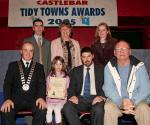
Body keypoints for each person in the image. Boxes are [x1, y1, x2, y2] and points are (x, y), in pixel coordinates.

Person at [103, 40, 150, 125]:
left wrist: (132, 102)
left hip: (137, 100)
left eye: (125, 48)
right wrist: (121, 102)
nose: (121, 51)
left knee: (144, 109)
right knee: (108, 107)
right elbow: (108, 88)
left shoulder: (140, 66)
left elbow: (146, 89)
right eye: (118, 49)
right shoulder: (109, 67)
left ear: (130, 52)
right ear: (114, 52)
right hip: (116, 100)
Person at [1, 42, 46, 125]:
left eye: (31, 51)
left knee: (42, 109)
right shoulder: (13, 65)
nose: (28, 53)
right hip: (15, 101)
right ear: (21, 51)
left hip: (33, 101)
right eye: (25, 50)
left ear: (33, 53)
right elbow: (7, 84)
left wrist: (41, 97)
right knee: (6, 110)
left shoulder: (39, 67)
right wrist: (7, 99)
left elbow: (42, 84)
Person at [63, 47, 105, 125]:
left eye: (88, 56)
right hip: (80, 100)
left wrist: (101, 96)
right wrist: (72, 96)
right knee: (67, 107)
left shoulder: (101, 69)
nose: (86, 59)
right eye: (84, 57)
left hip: (96, 98)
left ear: (93, 56)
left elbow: (106, 85)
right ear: (81, 58)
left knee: (99, 110)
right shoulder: (76, 70)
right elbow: (71, 87)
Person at [46, 56, 69, 125]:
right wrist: (47, 90)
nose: (58, 66)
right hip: (50, 100)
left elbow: (67, 89)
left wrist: (65, 92)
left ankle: (58, 123)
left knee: (57, 109)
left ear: (63, 65)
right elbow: (47, 88)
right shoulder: (49, 76)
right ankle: (48, 123)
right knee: (49, 109)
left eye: (60, 64)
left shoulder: (66, 77)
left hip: (61, 100)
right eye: (56, 64)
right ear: (53, 65)